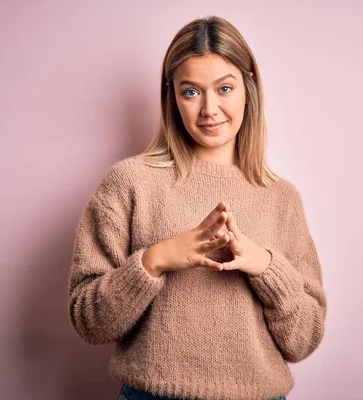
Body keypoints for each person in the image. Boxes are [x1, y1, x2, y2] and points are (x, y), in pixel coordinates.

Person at [67, 15, 327, 400]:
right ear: (171, 96)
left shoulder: (281, 197)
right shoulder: (129, 182)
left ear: (248, 87)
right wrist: (154, 261)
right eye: (191, 92)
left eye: (224, 88)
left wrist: (266, 267)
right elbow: (88, 322)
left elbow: (304, 340)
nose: (209, 109)